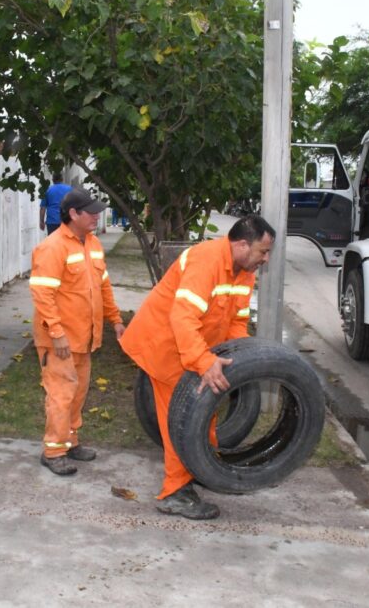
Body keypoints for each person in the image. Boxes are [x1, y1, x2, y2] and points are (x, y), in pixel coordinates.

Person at [119, 215, 275, 519]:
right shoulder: (206, 261)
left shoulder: (244, 271)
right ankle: (175, 493)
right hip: (166, 348)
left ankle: (201, 469)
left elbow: (236, 322)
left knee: (204, 412)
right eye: (263, 251)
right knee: (181, 422)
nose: (266, 259)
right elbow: (182, 318)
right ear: (243, 245)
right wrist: (204, 362)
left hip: (198, 350)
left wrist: (241, 362)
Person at [29, 188, 125, 475]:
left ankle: (70, 441)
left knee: (77, 393)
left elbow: (103, 287)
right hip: (59, 340)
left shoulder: (93, 244)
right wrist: (56, 333)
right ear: (73, 214)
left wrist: (115, 320)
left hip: (84, 338)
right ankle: (53, 451)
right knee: (60, 394)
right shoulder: (52, 247)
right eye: (91, 212)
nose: (97, 216)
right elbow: (42, 294)